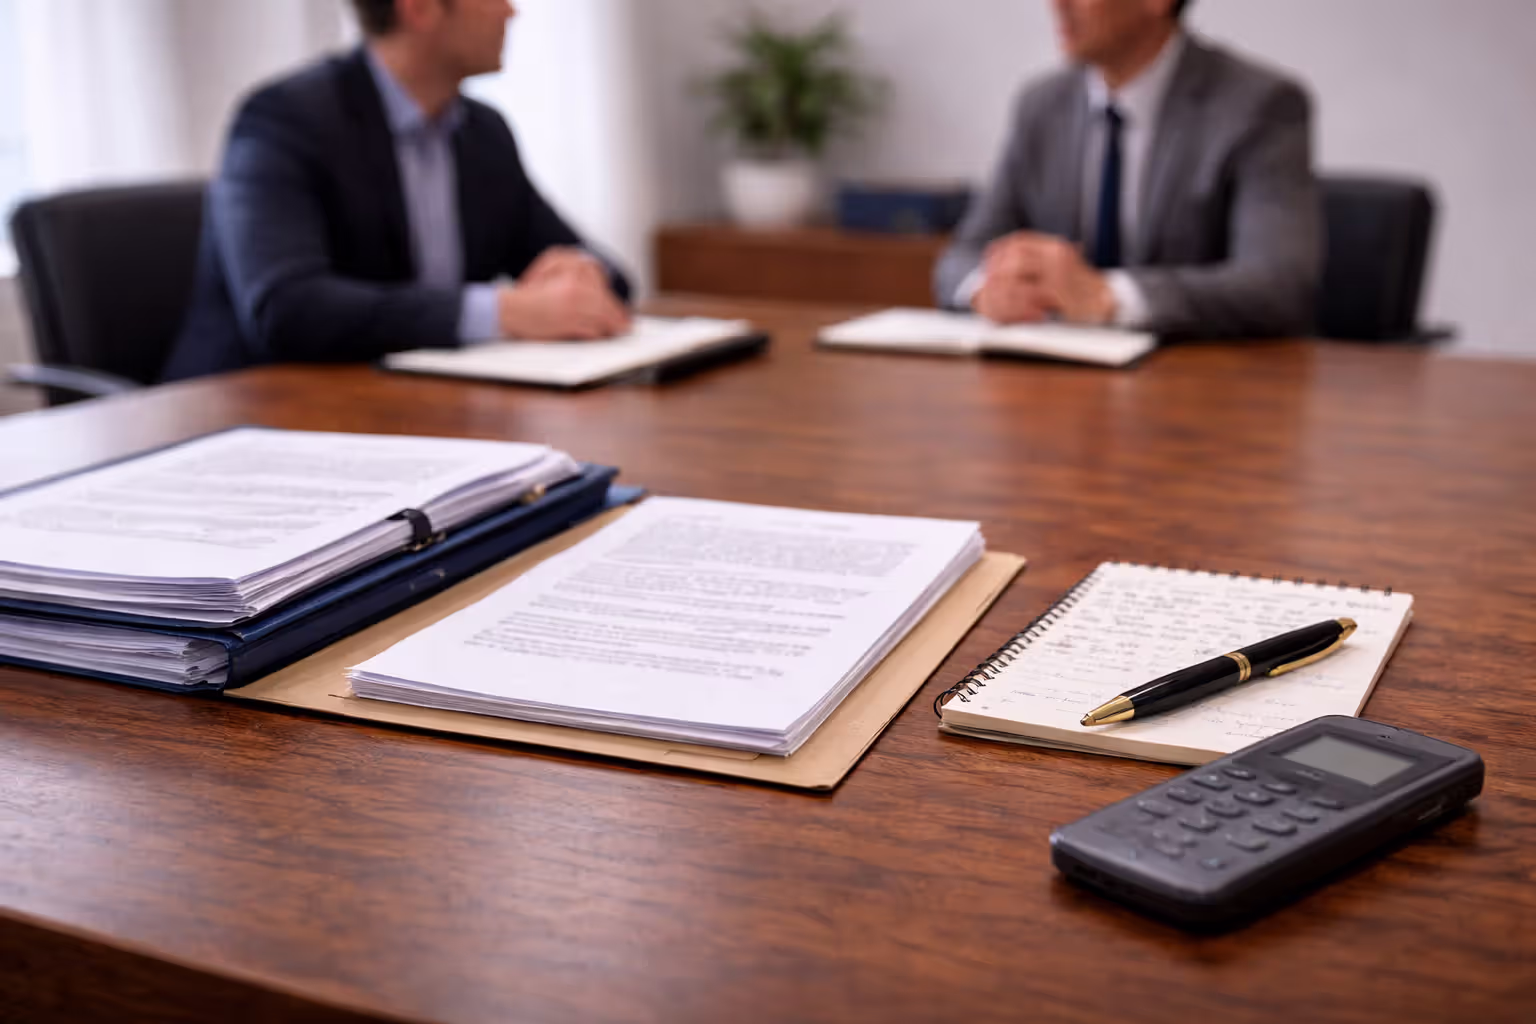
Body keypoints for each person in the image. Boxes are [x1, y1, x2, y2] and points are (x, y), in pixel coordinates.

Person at [162, 0, 631, 381]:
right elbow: (288, 310)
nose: (512, 11)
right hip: (248, 420)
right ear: (420, 7)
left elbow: (612, 274)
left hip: (416, 409)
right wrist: (505, 311)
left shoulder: (483, 133)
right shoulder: (283, 120)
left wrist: (582, 275)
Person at [934, 0, 1321, 339]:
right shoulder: (1042, 105)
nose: (1057, 3)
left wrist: (1108, 297)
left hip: (1204, 390)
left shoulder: (1259, 105)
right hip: (1056, 390)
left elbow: (1278, 284)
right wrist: (987, 288)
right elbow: (961, 256)